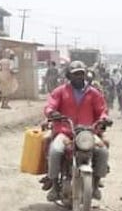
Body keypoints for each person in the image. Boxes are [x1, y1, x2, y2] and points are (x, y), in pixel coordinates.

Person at [44, 61, 110, 201]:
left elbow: (102, 110)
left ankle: (96, 185)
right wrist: (51, 112)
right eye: (75, 74)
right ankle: (55, 186)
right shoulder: (60, 91)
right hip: (65, 132)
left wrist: (104, 118)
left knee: (102, 151)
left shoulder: (94, 93)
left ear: (85, 75)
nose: (79, 77)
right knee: (55, 151)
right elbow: (50, 105)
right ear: (69, 75)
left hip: (88, 133)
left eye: (81, 74)